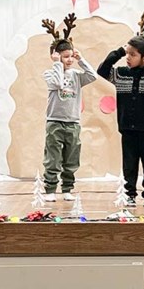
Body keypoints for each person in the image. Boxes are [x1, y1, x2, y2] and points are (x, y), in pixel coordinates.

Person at [98, 13, 144, 206]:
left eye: (133, 54)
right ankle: (128, 193)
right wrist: (120, 52)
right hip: (127, 127)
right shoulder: (121, 74)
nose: (129, 57)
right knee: (129, 164)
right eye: (128, 53)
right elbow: (102, 71)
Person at [41, 14, 97, 202]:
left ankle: (67, 188)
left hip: (73, 123)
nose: (69, 60)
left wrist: (82, 60)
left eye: (71, 56)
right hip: (55, 123)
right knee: (53, 159)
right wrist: (57, 63)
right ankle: (49, 189)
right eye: (66, 57)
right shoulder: (50, 73)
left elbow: (92, 76)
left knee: (71, 159)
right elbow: (57, 84)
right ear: (56, 56)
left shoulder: (76, 75)